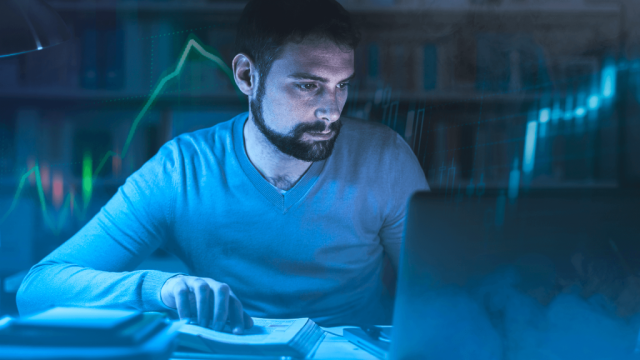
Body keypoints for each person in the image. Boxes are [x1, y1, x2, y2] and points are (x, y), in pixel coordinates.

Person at [16, 0, 429, 333]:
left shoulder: (385, 158)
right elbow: (38, 288)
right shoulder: (181, 171)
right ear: (247, 76)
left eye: (342, 86)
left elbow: (445, 287)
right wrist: (162, 288)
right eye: (308, 85)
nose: (331, 111)